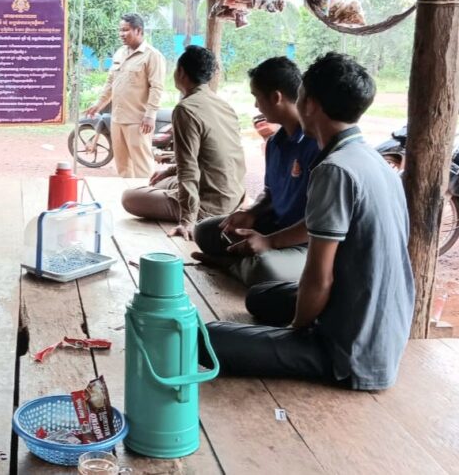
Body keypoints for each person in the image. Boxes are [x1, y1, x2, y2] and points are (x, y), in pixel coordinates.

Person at [199, 53, 414, 390]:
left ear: (310, 104)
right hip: (380, 323)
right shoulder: (373, 160)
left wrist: (295, 331)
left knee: (205, 338)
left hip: (349, 351)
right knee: (260, 297)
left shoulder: (334, 170)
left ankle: (306, 340)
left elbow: (320, 277)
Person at [193, 57, 319, 285]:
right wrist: (251, 213)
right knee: (204, 231)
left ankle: (231, 264)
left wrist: (269, 242)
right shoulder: (275, 143)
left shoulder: (316, 144)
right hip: (274, 226)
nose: (255, 106)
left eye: (256, 97)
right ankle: (242, 261)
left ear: (276, 97)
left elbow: (320, 223)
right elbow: (270, 193)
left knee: (264, 270)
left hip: (306, 242)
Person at [121, 46, 245, 237]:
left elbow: (188, 168)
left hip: (209, 206)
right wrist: (169, 171)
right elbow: (206, 156)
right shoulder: (223, 105)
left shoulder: (186, 109)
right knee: (160, 182)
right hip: (232, 197)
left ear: (180, 72)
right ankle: (175, 194)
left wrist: (188, 220)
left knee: (129, 198)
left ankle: (191, 211)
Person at [86, 13, 165, 178]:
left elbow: (157, 88)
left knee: (142, 166)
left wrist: (150, 116)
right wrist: (99, 104)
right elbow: (110, 83)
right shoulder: (120, 53)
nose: (121, 34)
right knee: (122, 167)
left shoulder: (153, 56)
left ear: (139, 30)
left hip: (138, 121)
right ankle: (128, 194)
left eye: (126, 30)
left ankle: (146, 194)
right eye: (120, 30)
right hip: (117, 119)